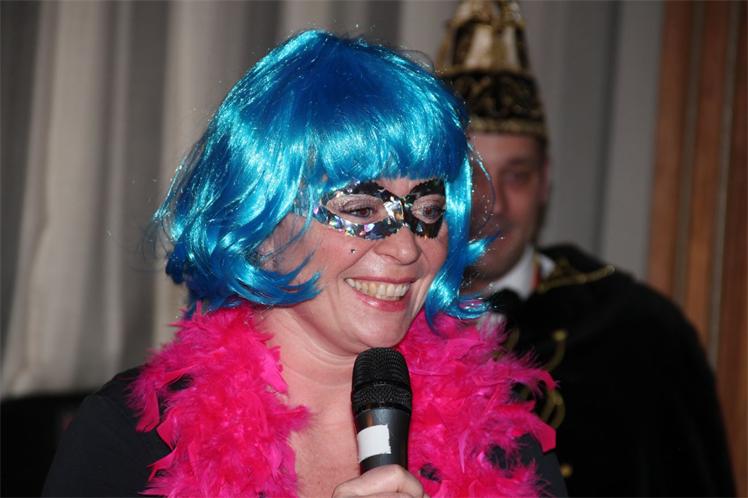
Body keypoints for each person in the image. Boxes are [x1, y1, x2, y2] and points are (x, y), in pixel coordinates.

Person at [42, 30, 567, 497]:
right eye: (361, 209)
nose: (407, 249)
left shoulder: (499, 440)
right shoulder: (132, 439)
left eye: (428, 211)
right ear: (262, 220)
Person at [436, 1, 736, 496]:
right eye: (472, 176)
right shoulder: (385, 323)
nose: (493, 204)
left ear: (546, 181)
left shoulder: (640, 334)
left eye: (517, 175)